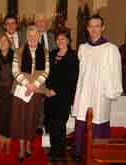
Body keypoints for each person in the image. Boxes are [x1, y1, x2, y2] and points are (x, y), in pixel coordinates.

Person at [72, 14, 123, 161]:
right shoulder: (83, 48)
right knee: (82, 119)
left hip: (101, 94)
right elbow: (80, 73)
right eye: (91, 26)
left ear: (102, 28)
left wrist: (113, 91)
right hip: (84, 92)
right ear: (87, 28)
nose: (94, 29)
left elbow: (115, 72)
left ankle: (98, 154)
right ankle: (79, 153)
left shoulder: (111, 49)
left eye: (97, 26)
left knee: (98, 121)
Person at [11, 25, 49, 162]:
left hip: (37, 91)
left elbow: (46, 71)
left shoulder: (44, 51)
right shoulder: (19, 51)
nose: (32, 38)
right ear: (26, 36)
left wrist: (34, 85)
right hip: (21, 90)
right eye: (30, 35)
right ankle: (21, 147)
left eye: (35, 35)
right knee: (21, 119)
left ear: (39, 36)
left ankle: (28, 145)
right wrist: (27, 84)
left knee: (33, 119)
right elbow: (15, 71)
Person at [44, 29, 79, 160]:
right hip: (49, 95)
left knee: (59, 124)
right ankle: (53, 150)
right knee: (51, 123)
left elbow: (71, 79)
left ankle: (60, 152)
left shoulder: (72, 56)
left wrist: (56, 90)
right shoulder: (52, 54)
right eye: (58, 39)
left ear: (68, 41)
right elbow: (46, 74)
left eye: (63, 39)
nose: (60, 41)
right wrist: (46, 89)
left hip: (63, 96)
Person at [0, 33, 14, 155]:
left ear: (9, 43)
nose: (3, 43)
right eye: (0, 41)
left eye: (5, 41)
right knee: (0, 118)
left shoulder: (15, 55)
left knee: (10, 118)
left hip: (12, 92)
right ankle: (1, 143)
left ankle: (8, 144)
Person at [34, 14, 57, 134]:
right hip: (35, 73)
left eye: (43, 21)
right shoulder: (31, 36)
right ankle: (38, 124)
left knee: (49, 99)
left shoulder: (53, 36)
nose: (41, 24)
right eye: (38, 21)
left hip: (51, 72)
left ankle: (47, 122)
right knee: (38, 99)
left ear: (47, 24)